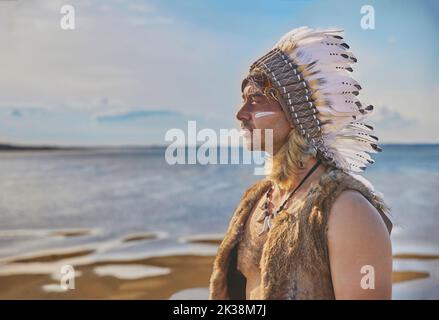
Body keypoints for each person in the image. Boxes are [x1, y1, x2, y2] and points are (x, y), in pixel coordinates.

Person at [209, 27, 393, 300]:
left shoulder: (347, 211)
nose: (241, 114)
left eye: (256, 99)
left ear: (296, 113)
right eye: (243, 101)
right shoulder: (257, 199)